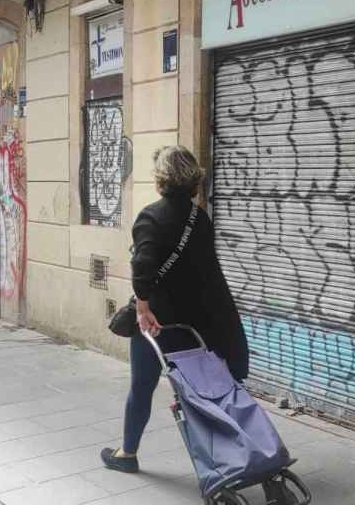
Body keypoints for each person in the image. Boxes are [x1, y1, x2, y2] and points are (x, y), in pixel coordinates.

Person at [101, 145, 249, 474]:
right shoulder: (200, 218)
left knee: (142, 386)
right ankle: (220, 459)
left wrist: (142, 308)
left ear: (161, 179)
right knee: (196, 393)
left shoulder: (151, 216)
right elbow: (206, 273)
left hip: (157, 323)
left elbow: (143, 266)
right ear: (193, 179)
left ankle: (128, 453)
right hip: (194, 325)